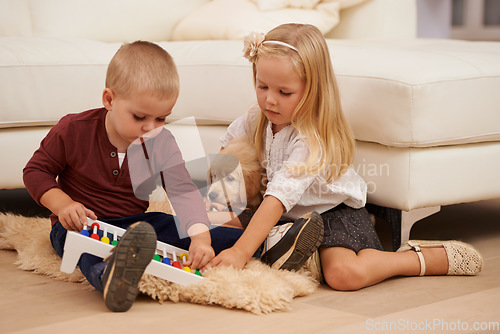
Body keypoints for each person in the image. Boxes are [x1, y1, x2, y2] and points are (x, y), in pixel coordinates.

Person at [204, 24, 484, 291]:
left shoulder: (311, 139)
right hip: (286, 218)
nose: (269, 101)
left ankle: (416, 258)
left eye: (284, 92)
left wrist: (241, 252)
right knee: (209, 218)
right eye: (262, 86)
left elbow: (276, 198)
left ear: (313, 90)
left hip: (332, 214)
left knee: (344, 275)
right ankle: (295, 250)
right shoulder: (256, 118)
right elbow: (222, 162)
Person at [23, 41, 246, 312]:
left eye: (161, 118)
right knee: (87, 249)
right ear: (109, 99)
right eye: (140, 116)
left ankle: (265, 243)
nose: (151, 128)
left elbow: (183, 191)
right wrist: (63, 205)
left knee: (177, 226)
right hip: (80, 224)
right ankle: (110, 276)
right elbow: (36, 171)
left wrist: (201, 239)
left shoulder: (161, 142)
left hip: (136, 225)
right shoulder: (73, 129)